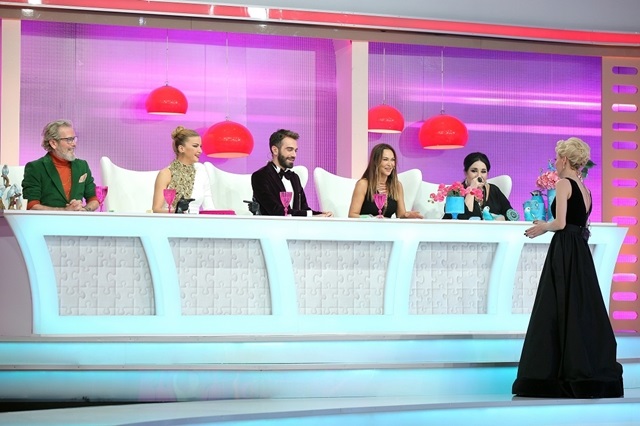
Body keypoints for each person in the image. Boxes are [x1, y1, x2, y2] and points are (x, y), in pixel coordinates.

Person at [513, 137, 623, 398]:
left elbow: (561, 223)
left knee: (556, 305)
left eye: (556, 157)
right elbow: (580, 223)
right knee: (578, 308)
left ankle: (550, 372)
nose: (555, 162)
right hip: (580, 251)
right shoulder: (585, 189)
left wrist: (542, 227)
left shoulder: (563, 184)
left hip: (564, 249)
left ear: (564, 159)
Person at [251, 129, 332, 217]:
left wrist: (321, 214)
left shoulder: (294, 177)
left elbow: (304, 209)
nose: (294, 155)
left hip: (297, 225)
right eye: (289, 150)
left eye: (295, 150)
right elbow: (275, 210)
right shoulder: (260, 176)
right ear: (275, 150)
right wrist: (311, 215)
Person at [22, 119, 99, 211]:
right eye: (69, 140)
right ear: (53, 143)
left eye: (74, 139)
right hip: (47, 220)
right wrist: (64, 211)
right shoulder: (36, 168)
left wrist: (85, 210)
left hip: (77, 220)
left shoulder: (82, 166)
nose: (74, 144)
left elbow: (94, 199)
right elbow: (32, 205)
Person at [348, 143, 422, 219]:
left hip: (388, 226)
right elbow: (352, 215)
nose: (390, 164)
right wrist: (371, 218)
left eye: (392, 160)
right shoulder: (363, 184)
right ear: (376, 162)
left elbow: (400, 215)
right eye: (385, 159)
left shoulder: (397, 186)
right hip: (367, 226)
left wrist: (407, 215)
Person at [152, 126, 215, 213]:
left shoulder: (201, 170)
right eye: (195, 146)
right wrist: (178, 212)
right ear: (181, 148)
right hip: (172, 219)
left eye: (200, 146)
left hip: (196, 220)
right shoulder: (166, 173)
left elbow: (209, 207)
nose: (200, 150)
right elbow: (156, 209)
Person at [442, 152, 513, 220]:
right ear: (465, 173)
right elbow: (461, 219)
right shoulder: (456, 192)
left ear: (487, 174)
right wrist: (472, 189)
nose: (479, 176)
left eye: (483, 172)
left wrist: (501, 218)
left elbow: (511, 214)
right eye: (474, 171)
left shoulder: (494, 190)